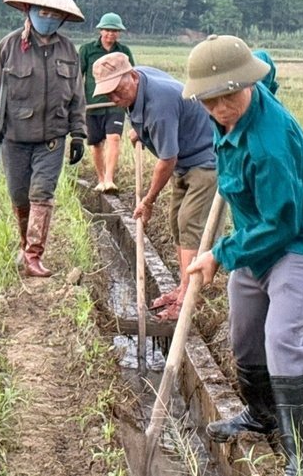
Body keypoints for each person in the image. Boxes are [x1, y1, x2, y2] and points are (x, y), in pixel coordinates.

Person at [182, 35, 303, 476]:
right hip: (257, 240)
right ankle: (261, 413)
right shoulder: (244, 88)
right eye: (211, 100)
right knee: (244, 331)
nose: (220, 108)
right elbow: (267, 65)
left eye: (230, 97)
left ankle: (301, 465)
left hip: (300, 240)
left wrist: (220, 254)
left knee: (282, 335)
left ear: (245, 87)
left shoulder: (269, 144)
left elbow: (281, 223)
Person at [92, 51, 217, 320]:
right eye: (108, 95)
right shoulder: (139, 83)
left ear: (133, 77)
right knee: (175, 221)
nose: (114, 99)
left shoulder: (158, 104)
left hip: (205, 159)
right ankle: (183, 287)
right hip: (185, 159)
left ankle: (188, 297)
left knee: (189, 222)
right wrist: (141, 130)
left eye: (117, 91)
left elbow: (167, 160)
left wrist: (148, 200)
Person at [0, 0, 87, 278]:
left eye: (55, 14)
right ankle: (23, 243)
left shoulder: (68, 51)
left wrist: (78, 133)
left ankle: (33, 255)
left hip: (52, 138)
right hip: (15, 137)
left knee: (42, 193)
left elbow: (77, 97)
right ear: (28, 10)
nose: (49, 18)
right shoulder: (9, 47)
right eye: (44, 11)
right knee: (19, 195)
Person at [79, 12, 134, 193]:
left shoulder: (124, 52)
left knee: (114, 138)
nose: (111, 34)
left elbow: (132, 76)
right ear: (101, 30)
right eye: (108, 30)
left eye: (115, 31)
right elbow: (79, 76)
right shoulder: (87, 50)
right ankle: (101, 179)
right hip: (93, 104)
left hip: (116, 103)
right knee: (96, 143)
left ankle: (109, 179)